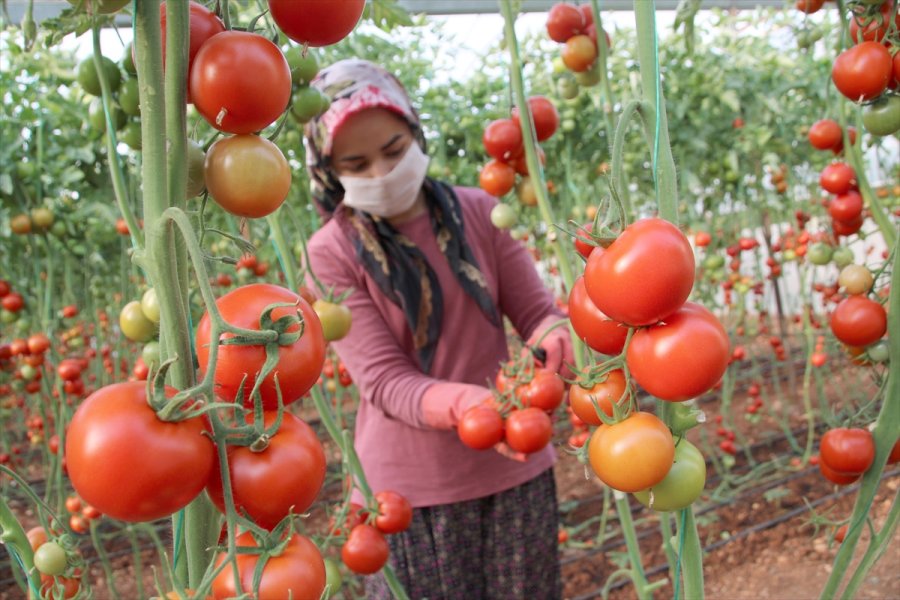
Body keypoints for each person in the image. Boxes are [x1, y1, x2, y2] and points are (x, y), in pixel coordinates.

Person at [302, 59, 573, 600]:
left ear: (416, 132)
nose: (381, 173)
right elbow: (383, 381)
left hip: (515, 475)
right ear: (330, 170)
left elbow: (540, 314)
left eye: (395, 151)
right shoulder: (329, 253)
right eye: (357, 163)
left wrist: (556, 348)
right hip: (408, 496)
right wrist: (474, 408)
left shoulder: (479, 212)